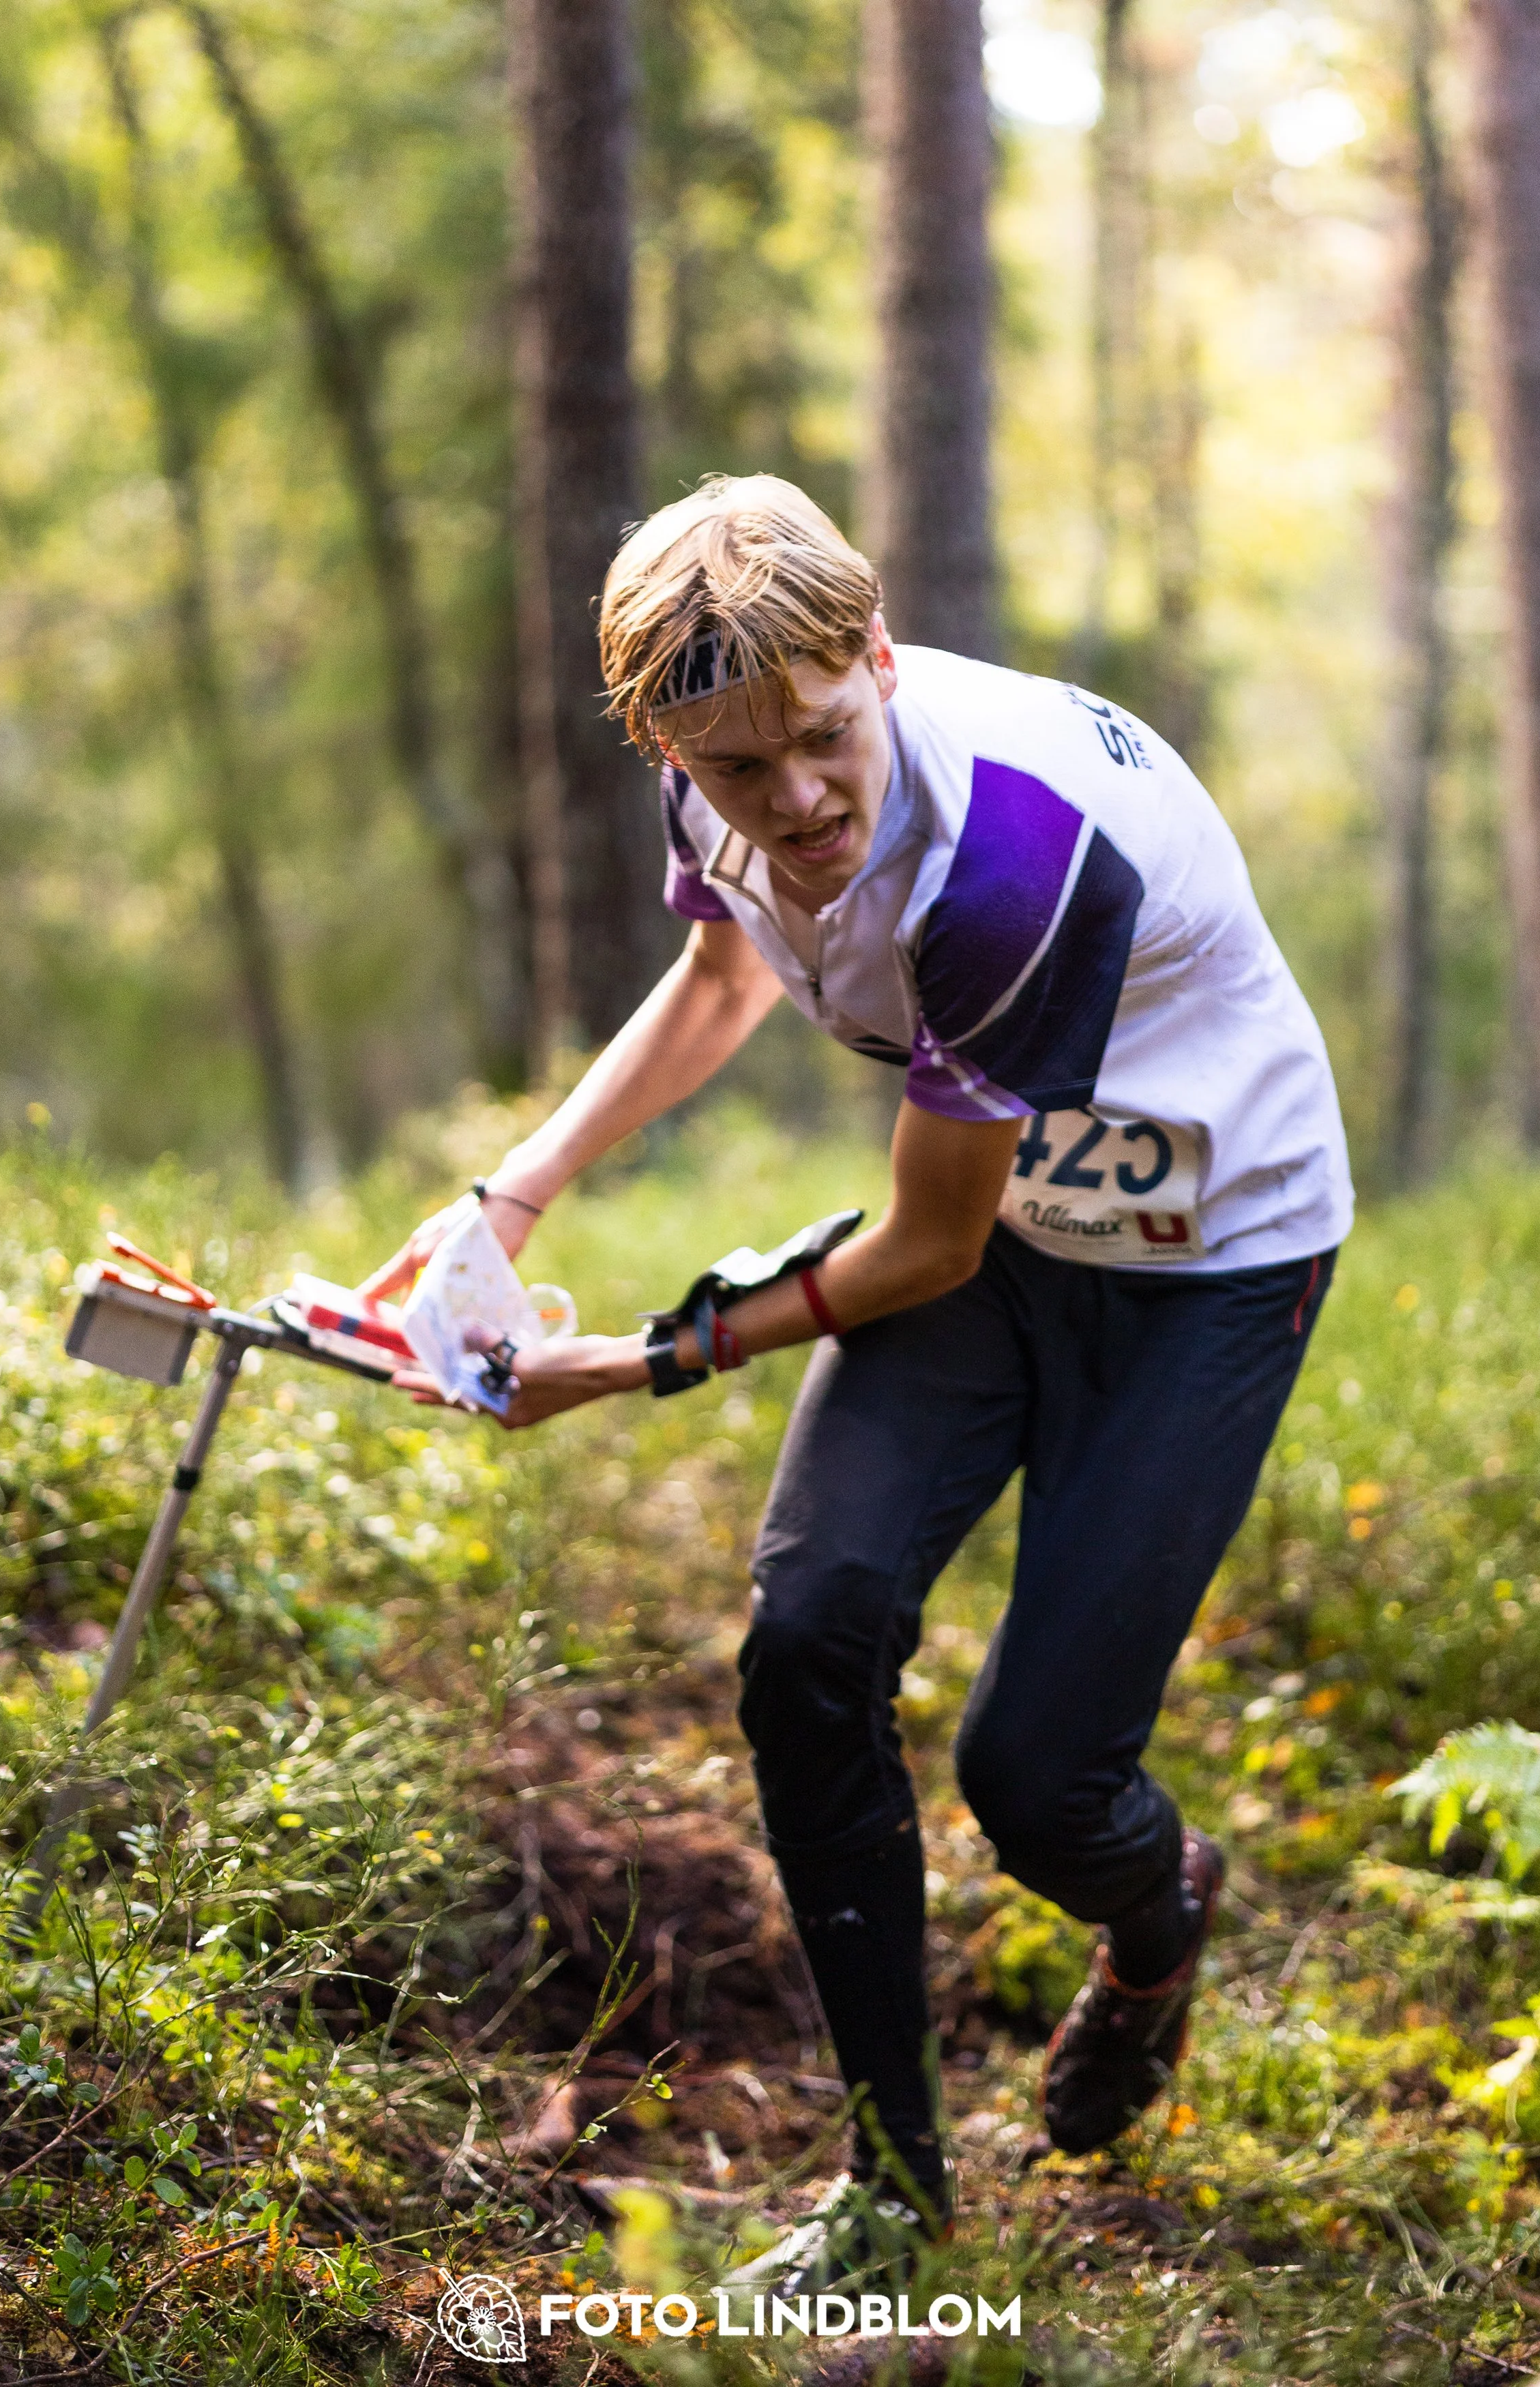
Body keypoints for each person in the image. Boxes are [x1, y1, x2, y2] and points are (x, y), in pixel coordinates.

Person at [361, 475, 1351, 2283]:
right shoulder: (719, 743)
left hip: (1203, 1255)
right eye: (738, 770)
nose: (794, 800)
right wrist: (507, 1193)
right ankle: (895, 2193)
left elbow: (924, 1249)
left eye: (823, 740)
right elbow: (722, 976)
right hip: (1008, 1213)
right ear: (666, 740)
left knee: (1040, 1778)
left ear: (876, 656)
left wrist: (634, 1360)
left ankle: (1159, 1910)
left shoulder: (1005, 861)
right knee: (808, 1627)